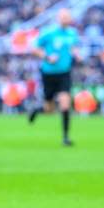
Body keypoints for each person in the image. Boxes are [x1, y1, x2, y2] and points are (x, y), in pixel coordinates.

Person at [28, 8, 80, 146]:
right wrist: (47, 57)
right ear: (58, 18)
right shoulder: (49, 32)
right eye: (63, 17)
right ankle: (36, 110)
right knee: (49, 109)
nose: (65, 19)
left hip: (64, 73)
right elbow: (34, 48)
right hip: (49, 73)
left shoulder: (72, 33)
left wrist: (77, 54)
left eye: (67, 17)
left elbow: (73, 47)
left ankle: (65, 137)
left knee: (65, 103)